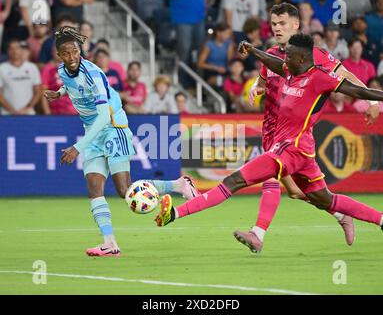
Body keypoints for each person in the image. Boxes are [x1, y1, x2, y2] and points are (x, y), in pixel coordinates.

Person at [155, 34, 383, 256]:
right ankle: (381, 219)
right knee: (326, 199)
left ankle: (174, 213)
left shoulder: (321, 78)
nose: (285, 60)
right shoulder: (290, 70)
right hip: (299, 151)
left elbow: (358, 90)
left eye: (290, 56)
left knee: (233, 181)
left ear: (302, 59)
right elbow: (275, 63)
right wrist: (254, 51)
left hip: (291, 149)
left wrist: (377, 99)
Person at [43, 27, 199, 257]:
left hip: (113, 127)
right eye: (66, 54)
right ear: (59, 56)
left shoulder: (93, 74)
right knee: (94, 187)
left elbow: (104, 115)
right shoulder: (63, 72)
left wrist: (78, 147)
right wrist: (59, 93)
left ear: (80, 51)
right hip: (92, 131)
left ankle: (178, 185)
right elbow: (71, 85)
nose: (72, 57)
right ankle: (110, 244)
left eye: (75, 52)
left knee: (124, 190)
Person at [236, 3, 379, 251]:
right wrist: (257, 88)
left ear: (296, 25)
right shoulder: (270, 53)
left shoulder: (317, 55)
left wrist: (368, 99)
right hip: (270, 130)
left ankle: (257, 234)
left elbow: (345, 76)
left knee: (275, 181)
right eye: (273, 24)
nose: (277, 28)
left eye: (282, 23)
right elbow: (263, 79)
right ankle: (341, 214)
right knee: (297, 192)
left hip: (293, 135)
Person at [0, 39, 42, 115]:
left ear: (21, 50)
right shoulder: (1, 68)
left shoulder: (32, 67)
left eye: (17, 48)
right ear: (7, 51)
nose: (14, 51)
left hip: (28, 113)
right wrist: (12, 111)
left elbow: (38, 91)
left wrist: (27, 108)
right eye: (11, 48)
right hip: (7, 114)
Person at [197, 22, 234, 87]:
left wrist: (230, 49)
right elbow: (200, 64)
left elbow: (230, 61)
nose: (228, 36)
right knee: (222, 81)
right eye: (226, 33)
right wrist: (216, 68)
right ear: (218, 33)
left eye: (229, 34)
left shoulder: (229, 44)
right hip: (211, 72)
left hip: (225, 71)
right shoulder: (209, 45)